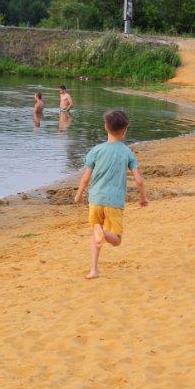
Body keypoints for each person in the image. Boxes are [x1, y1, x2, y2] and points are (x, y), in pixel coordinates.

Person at [74, 109, 148, 279]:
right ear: (125, 131)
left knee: (96, 234)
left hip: (95, 199)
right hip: (114, 201)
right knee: (116, 240)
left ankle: (93, 269)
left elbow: (85, 178)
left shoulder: (96, 151)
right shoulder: (127, 152)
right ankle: (102, 231)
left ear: (105, 127)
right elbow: (139, 181)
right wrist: (143, 198)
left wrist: (78, 195)